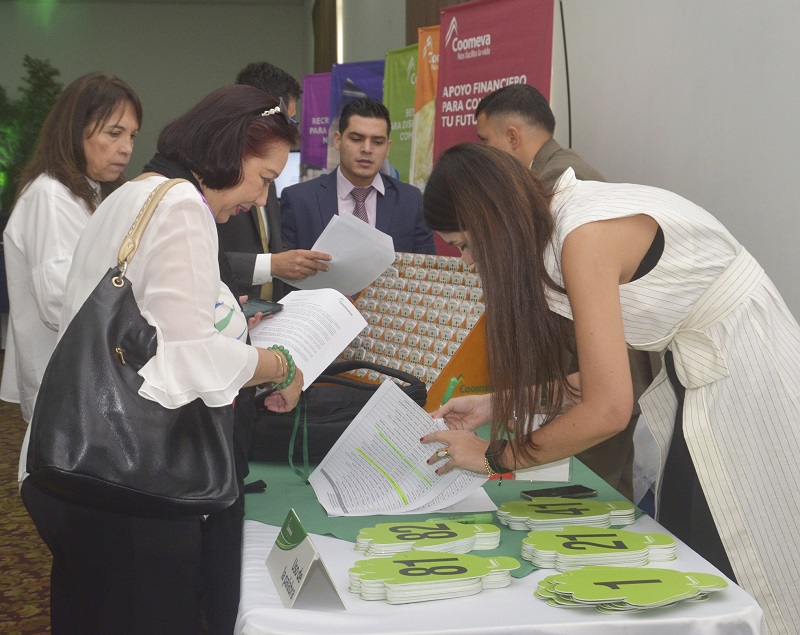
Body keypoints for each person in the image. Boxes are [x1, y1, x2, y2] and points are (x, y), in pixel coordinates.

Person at [421, 142, 800, 634]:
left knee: (737, 557)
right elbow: (603, 382)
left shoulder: (583, 236)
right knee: (691, 551)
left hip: (747, 379)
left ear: (491, 221)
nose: (470, 262)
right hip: (702, 374)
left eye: (465, 244)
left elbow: (607, 410)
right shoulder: (559, 228)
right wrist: (499, 403)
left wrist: (495, 457)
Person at [19, 85, 304, 635]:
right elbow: (191, 357)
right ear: (230, 151)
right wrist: (278, 364)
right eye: (264, 178)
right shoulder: (182, 207)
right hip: (132, 477)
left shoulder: (134, 193)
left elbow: (154, 323)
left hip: (76, 458)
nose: (261, 198)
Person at [475, 83, 653, 501]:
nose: (485, 155)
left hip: (596, 366)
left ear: (512, 136)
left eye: (486, 142)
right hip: (578, 364)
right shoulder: (549, 179)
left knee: (592, 490)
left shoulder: (564, 188)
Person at [1, 72, 142, 429]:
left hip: (94, 374)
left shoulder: (95, 191)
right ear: (75, 131)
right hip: (68, 381)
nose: (126, 147)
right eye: (114, 133)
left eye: (131, 136)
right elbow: (61, 302)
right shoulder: (50, 196)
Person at [217, 61, 331, 302]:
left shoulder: (268, 168)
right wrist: (272, 265)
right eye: (289, 121)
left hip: (268, 312)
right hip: (226, 310)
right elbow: (206, 260)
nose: (292, 132)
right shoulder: (216, 172)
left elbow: (272, 244)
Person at [281, 97, 435, 255]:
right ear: (338, 140)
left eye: (377, 142)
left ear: (388, 148)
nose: (367, 149)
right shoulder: (298, 200)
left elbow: (424, 265)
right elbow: (284, 266)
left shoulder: (411, 201)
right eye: (356, 139)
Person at [475, 83, 604, 192]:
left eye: (485, 140)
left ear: (512, 138)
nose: (483, 150)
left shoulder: (558, 181)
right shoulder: (556, 169)